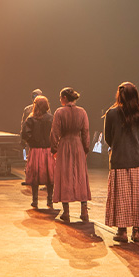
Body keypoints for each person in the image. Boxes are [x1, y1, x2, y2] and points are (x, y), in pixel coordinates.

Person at [104, 82, 139, 243]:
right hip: (137, 159)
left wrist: (118, 145)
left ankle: (122, 231)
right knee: (138, 196)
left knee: (121, 197)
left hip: (119, 158)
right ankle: (136, 232)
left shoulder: (111, 113)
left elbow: (108, 138)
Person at [51, 87, 91, 222]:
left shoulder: (59, 112)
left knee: (65, 175)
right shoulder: (82, 112)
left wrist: (54, 149)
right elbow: (86, 132)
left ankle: (66, 212)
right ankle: (84, 211)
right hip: (78, 145)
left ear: (64, 98)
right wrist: (85, 149)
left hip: (64, 145)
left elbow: (55, 132)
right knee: (80, 175)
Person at [21, 95, 55, 209]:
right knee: (50, 176)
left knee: (35, 175)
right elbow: (55, 134)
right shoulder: (51, 118)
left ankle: (35, 200)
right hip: (48, 151)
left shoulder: (31, 119)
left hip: (35, 151)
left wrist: (32, 142)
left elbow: (25, 134)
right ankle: (50, 200)